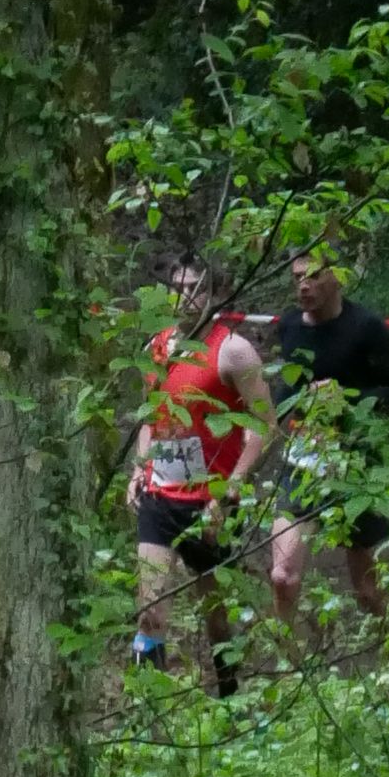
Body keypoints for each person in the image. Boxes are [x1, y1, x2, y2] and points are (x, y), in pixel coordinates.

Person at [129, 261, 271, 693]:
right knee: (149, 609)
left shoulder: (232, 350)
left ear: (214, 292)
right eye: (178, 288)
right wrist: (138, 468)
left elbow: (265, 425)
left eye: (195, 288)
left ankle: (229, 692)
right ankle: (148, 704)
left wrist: (230, 490)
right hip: (160, 495)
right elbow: (150, 418)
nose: (186, 297)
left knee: (215, 613)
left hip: (211, 503)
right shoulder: (157, 348)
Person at [268, 255, 389, 637]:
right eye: (297, 277)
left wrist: (344, 398)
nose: (304, 286)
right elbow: (285, 394)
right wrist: (297, 405)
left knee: (367, 590)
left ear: (337, 278)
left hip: (356, 463)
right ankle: (287, 661)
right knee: (282, 576)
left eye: (313, 276)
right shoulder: (289, 325)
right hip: (304, 460)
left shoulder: (367, 327)